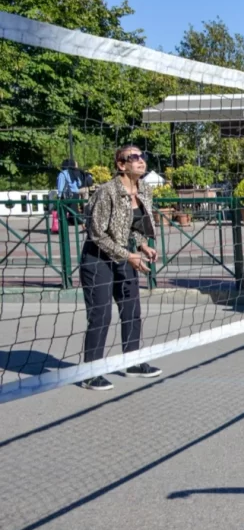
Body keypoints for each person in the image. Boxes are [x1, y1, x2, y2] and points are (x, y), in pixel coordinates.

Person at [78, 145, 161, 391]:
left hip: (125, 255)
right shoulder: (107, 192)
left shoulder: (144, 190)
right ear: (121, 165)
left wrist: (143, 245)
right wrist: (128, 255)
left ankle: (132, 363)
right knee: (101, 315)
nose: (140, 160)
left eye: (142, 156)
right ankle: (90, 373)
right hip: (97, 258)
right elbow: (97, 234)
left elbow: (133, 227)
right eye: (133, 157)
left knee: (132, 310)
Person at [56, 159, 90, 226]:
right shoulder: (73, 172)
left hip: (67, 195)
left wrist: (59, 196)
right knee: (74, 210)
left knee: (65, 210)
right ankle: (85, 212)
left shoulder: (62, 173)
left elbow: (60, 186)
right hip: (75, 193)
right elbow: (79, 183)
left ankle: (67, 222)